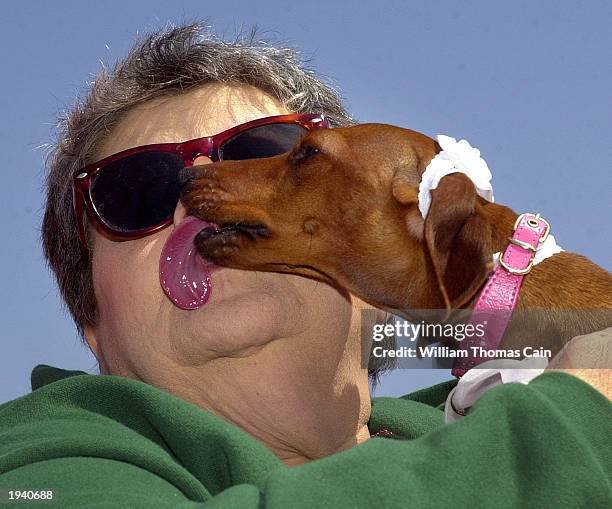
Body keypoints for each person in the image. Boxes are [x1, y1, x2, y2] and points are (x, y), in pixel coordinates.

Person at [0, 22, 609, 508]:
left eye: (274, 153)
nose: (200, 196)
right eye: (137, 191)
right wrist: (583, 414)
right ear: (91, 323)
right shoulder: (37, 469)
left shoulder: (492, 399)